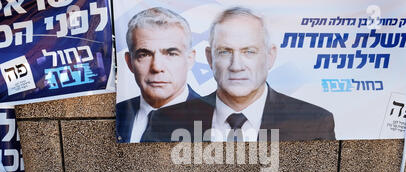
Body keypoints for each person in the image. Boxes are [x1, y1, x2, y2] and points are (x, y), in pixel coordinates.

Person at [147, 6, 335, 142]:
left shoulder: (313, 122)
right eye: (225, 51)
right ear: (209, 58)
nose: (236, 66)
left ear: (270, 56)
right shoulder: (164, 121)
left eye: (249, 52)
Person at [116, 7, 200, 143]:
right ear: (129, 62)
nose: (157, 67)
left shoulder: (217, 118)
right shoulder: (116, 114)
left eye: (171, 54)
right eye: (144, 54)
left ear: (190, 59)